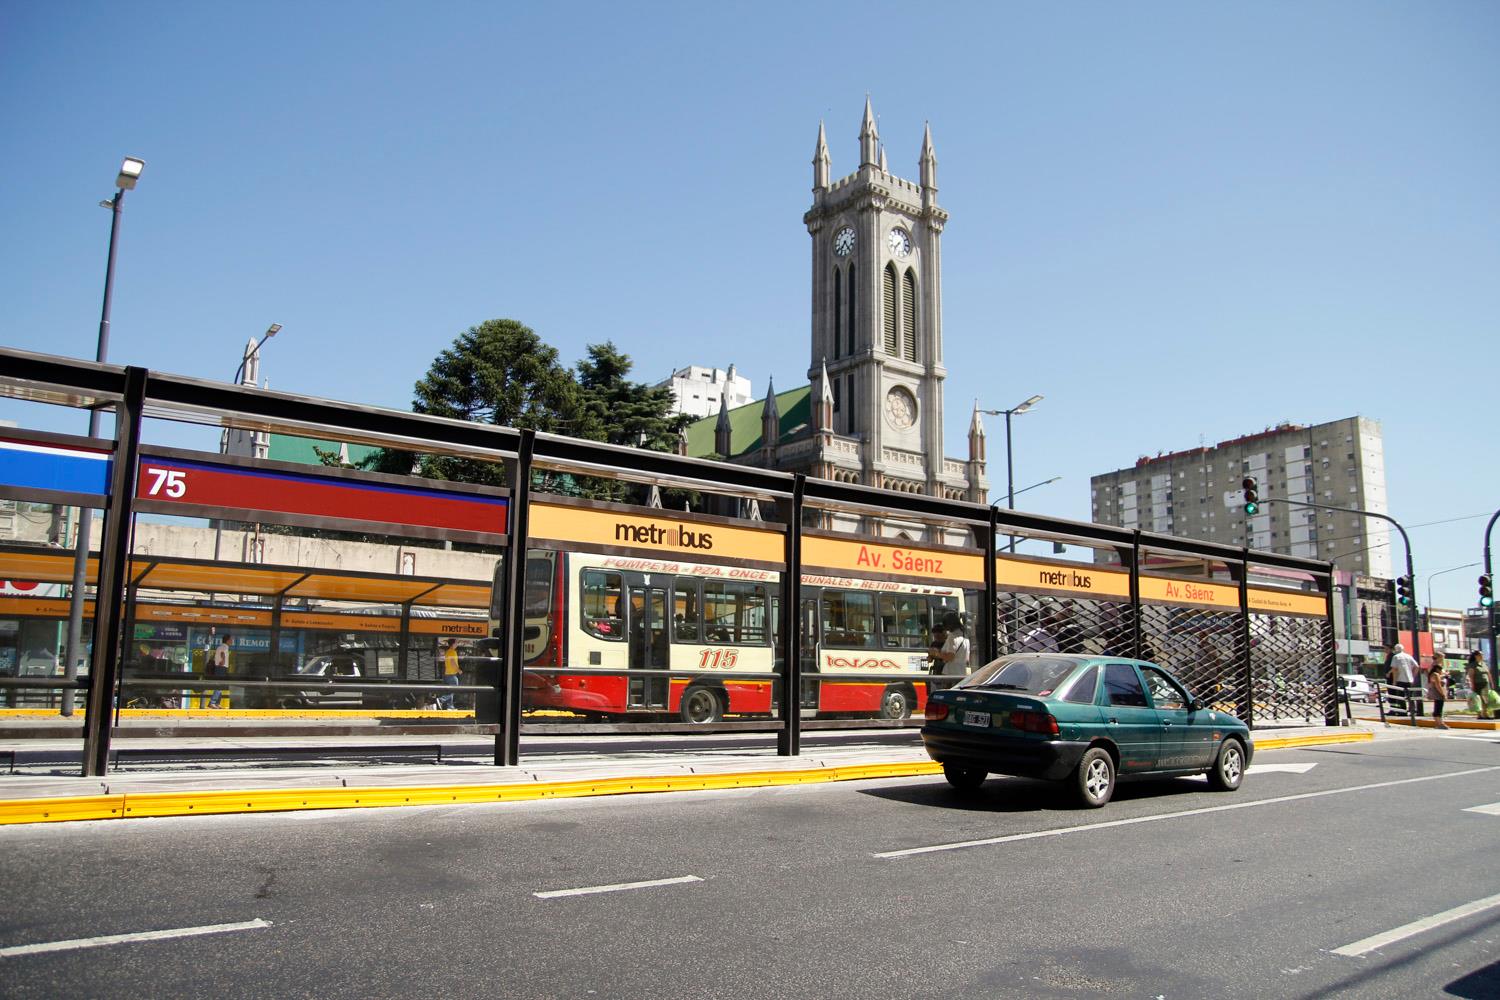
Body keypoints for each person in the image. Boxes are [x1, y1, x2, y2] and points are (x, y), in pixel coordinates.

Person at [934, 612, 971, 684]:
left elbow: (950, 657)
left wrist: (936, 653)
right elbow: (967, 659)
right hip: (961, 673)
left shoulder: (953, 636)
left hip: (950, 674)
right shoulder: (965, 635)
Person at [1387, 643, 1420, 718]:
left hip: (1400, 680)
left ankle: (1403, 712)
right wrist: (1413, 676)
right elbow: (1417, 666)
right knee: (1410, 697)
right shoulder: (1409, 656)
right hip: (1409, 679)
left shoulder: (1396, 657)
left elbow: (1395, 669)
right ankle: (1412, 711)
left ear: (1396, 650)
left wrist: (1394, 682)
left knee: (1401, 697)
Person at [207, 635, 231, 709]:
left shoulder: (219, 647)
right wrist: (223, 661)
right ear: (227, 640)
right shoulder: (225, 646)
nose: (232, 641)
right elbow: (222, 654)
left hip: (219, 667)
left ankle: (217, 703)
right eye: (231, 640)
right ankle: (212, 702)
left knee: (220, 685)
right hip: (221, 668)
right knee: (219, 685)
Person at [1467, 651, 1492, 720]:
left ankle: (1485, 713)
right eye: (1481, 655)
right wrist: (1472, 685)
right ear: (1476, 656)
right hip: (1477, 684)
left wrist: (1491, 682)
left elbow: (1488, 673)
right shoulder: (1472, 665)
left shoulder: (1483, 664)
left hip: (1485, 684)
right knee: (1478, 700)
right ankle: (1479, 714)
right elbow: (1471, 675)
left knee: (1486, 700)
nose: (1482, 656)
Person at [1427, 655, 1449, 729]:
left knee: (1438, 708)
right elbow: (1438, 685)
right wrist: (1443, 694)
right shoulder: (1436, 675)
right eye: (1440, 669)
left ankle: (1439, 723)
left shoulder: (1434, 674)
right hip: (1438, 693)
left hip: (1437, 693)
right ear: (1437, 669)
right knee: (1438, 708)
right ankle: (1439, 723)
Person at [440, 638, 461, 710]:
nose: (457, 644)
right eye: (456, 643)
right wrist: (458, 670)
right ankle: (441, 700)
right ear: (453, 644)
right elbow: (452, 662)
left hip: (447, 674)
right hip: (452, 675)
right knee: (453, 690)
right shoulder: (452, 652)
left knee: (449, 690)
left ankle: (450, 707)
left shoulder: (448, 652)